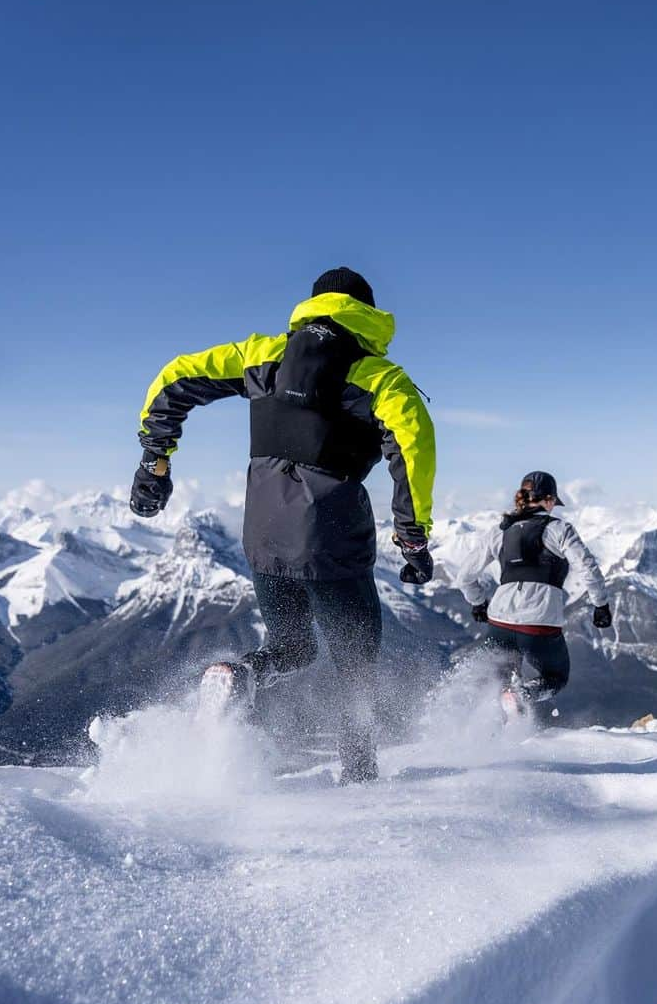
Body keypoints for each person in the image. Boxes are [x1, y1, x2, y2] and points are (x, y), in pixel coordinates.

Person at [128, 267, 436, 783]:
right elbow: (412, 448)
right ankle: (359, 779)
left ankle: (239, 675)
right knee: (354, 668)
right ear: (369, 312)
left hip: (263, 532)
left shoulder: (261, 355)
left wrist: (154, 460)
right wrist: (412, 536)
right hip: (331, 537)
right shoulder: (380, 378)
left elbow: (175, 377)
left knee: (292, 646)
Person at [455, 472, 612, 720]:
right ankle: (522, 696)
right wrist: (600, 604)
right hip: (539, 624)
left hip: (500, 622)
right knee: (555, 676)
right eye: (553, 502)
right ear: (548, 500)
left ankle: (488, 741)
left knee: (498, 686)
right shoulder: (559, 529)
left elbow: (464, 576)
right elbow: (587, 567)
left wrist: (478, 603)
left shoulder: (499, 532)